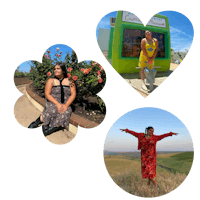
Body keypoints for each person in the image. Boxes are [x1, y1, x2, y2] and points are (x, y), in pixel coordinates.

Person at [28, 62, 76, 135]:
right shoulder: (51, 80)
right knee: (51, 111)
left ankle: (51, 128)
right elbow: (47, 94)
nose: (55, 70)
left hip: (66, 103)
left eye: (58, 68)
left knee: (65, 113)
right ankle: (37, 122)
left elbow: (73, 94)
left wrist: (66, 105)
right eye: (55, 69)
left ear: (63, 70)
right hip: (53, 102)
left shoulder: (70, 81)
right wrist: (57, 104)